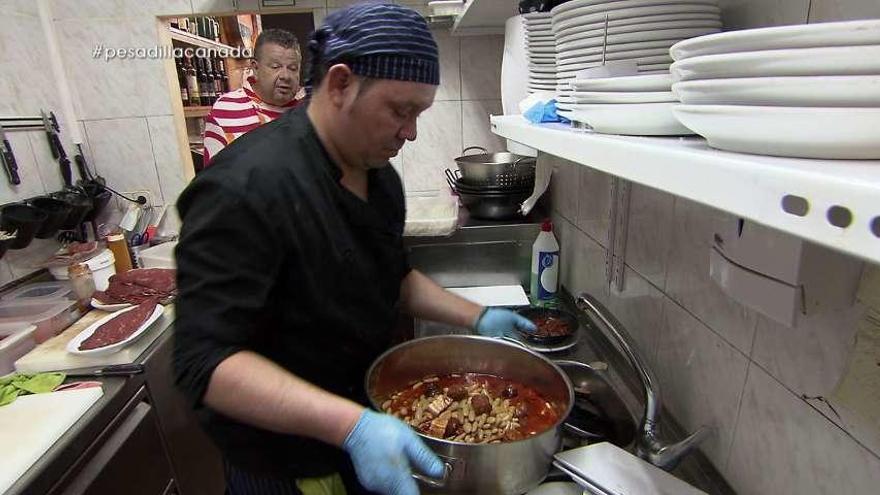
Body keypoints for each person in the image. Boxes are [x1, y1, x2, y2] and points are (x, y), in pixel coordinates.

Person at [173, 4, 536, 495]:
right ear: (341, 84)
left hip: (363, 430)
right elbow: (206, 363)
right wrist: (353, 427)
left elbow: (391, 276)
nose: (410, 132)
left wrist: (476, 317)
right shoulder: (244, 187)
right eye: (400, 109)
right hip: (280, 461)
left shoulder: (380, 180)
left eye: (419, 113)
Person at [202, 28, 306, 167]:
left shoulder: (310, 108)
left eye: (293, 68)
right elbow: (214, 181)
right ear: (255, 68)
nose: (285, 76)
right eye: (275, 67)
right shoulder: (226, 109)